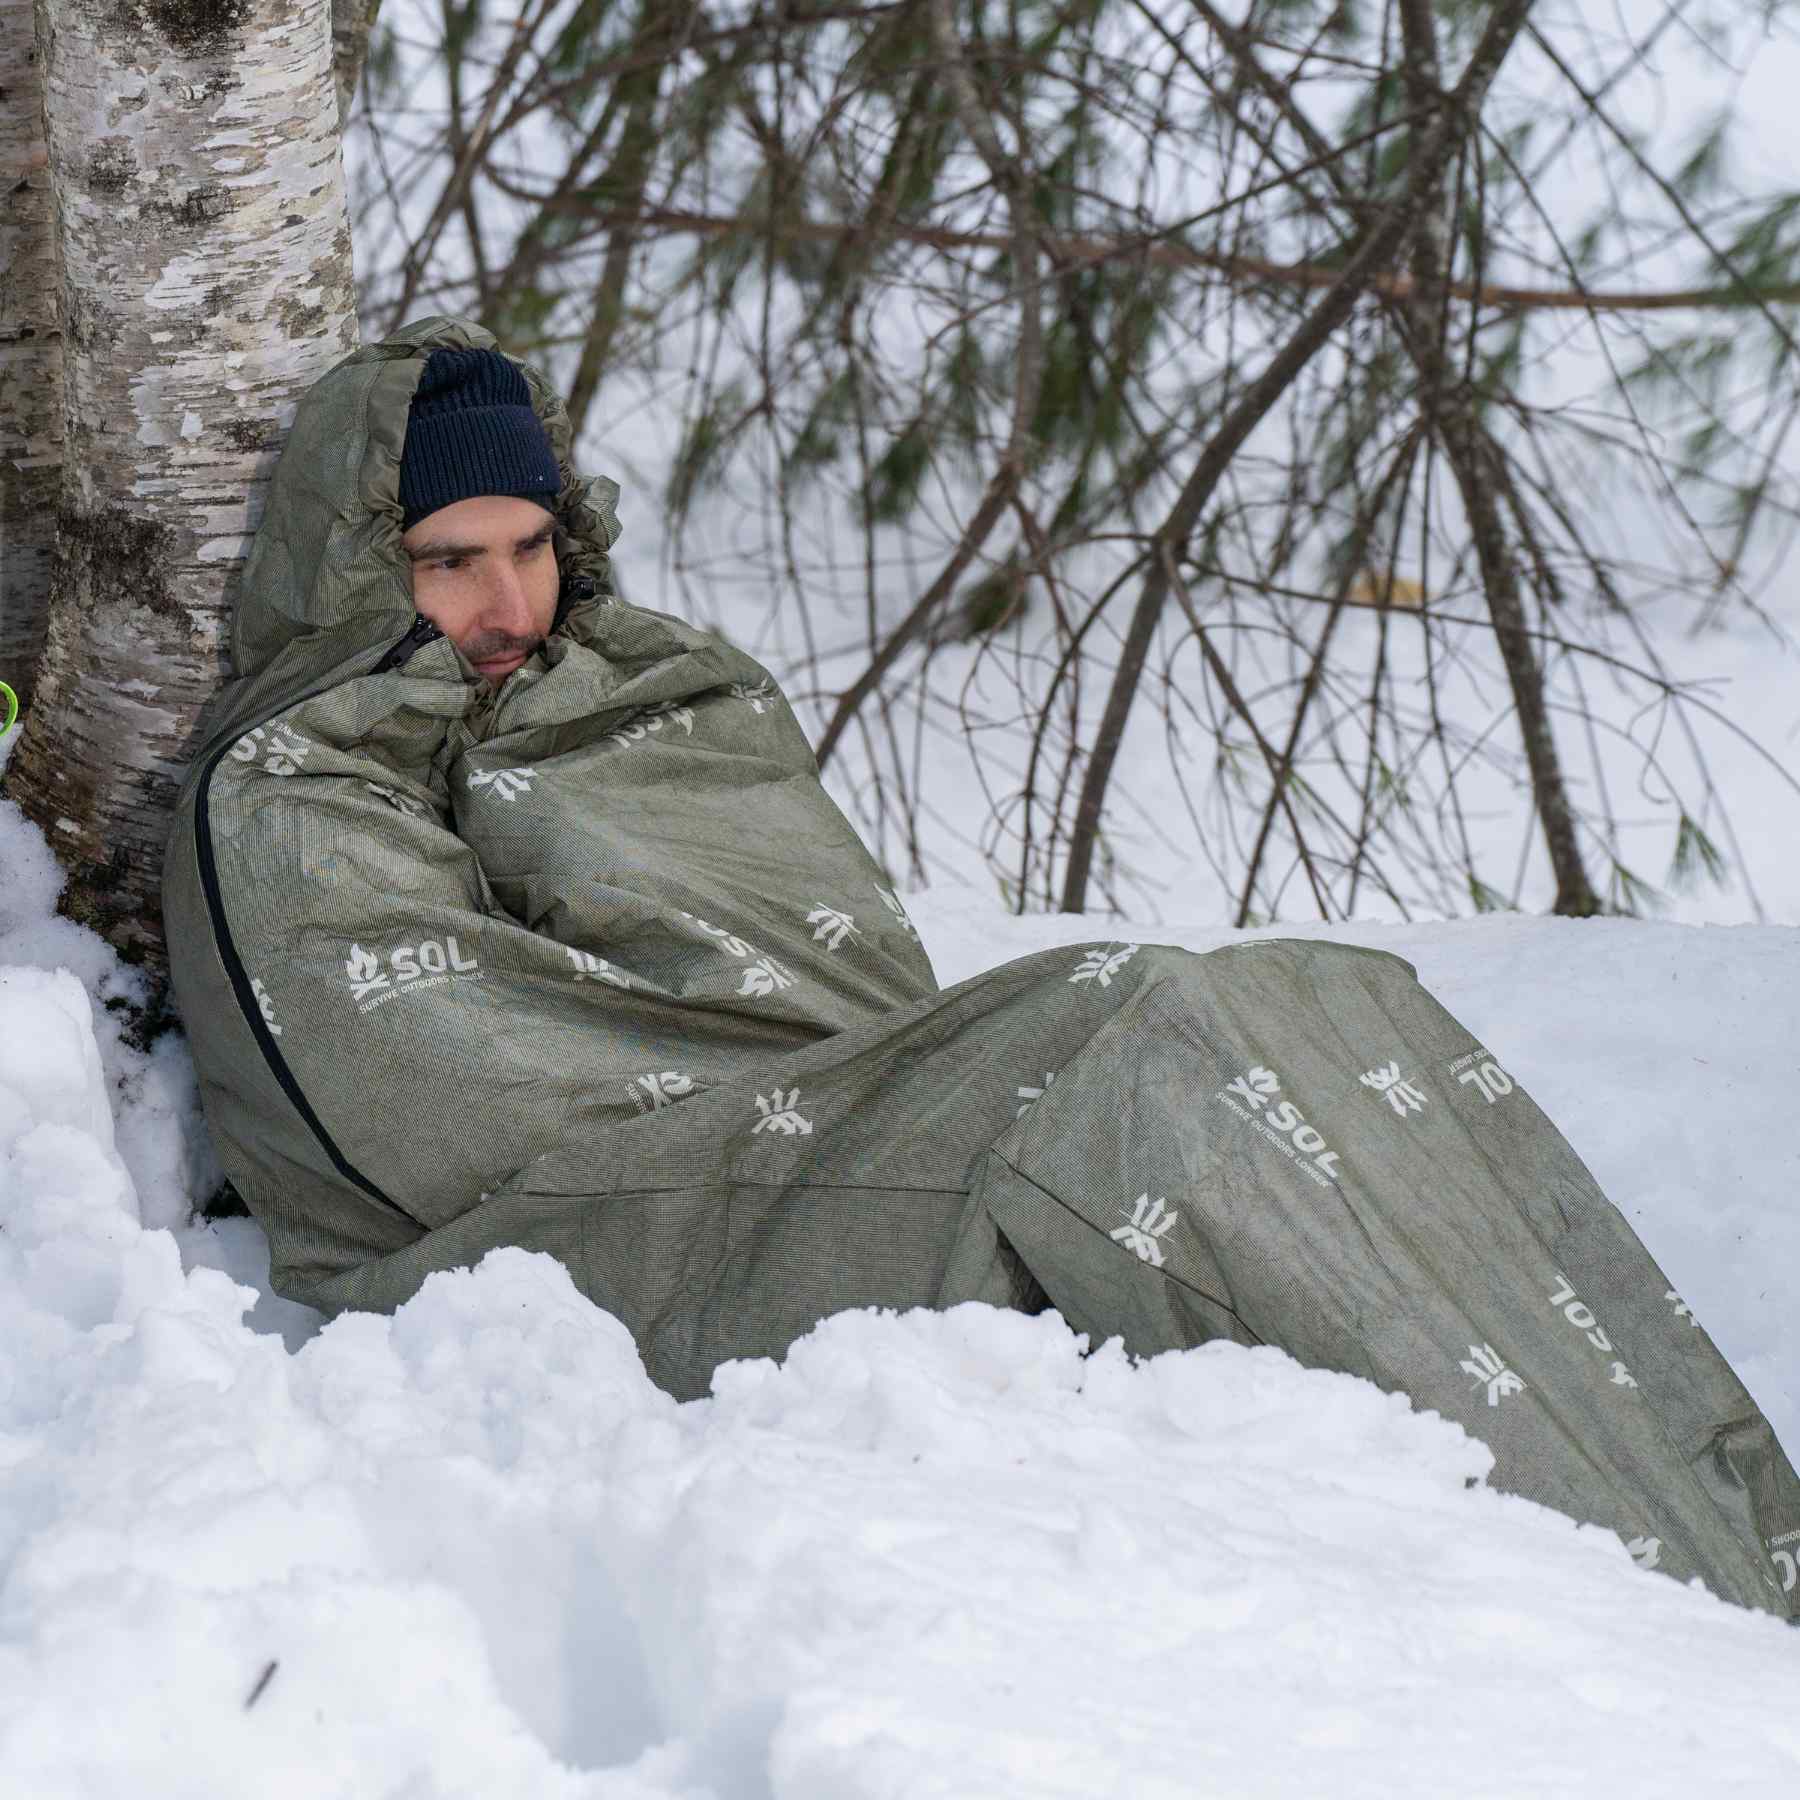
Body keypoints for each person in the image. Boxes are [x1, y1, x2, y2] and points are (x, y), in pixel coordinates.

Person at [164, 319, 1799, 1619]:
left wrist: (888, 1086)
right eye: (449, 561)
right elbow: (441, 1102)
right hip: (562, 1255)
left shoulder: (640, 694)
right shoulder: (295, 789)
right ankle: (1647, 1586)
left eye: (529, 546)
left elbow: (841, 980)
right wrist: (897, 1097)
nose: (507, 601)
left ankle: (1738, 1532)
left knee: (1320, 997)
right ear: (363, 570)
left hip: (807, 1141)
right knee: (1126, 1045)